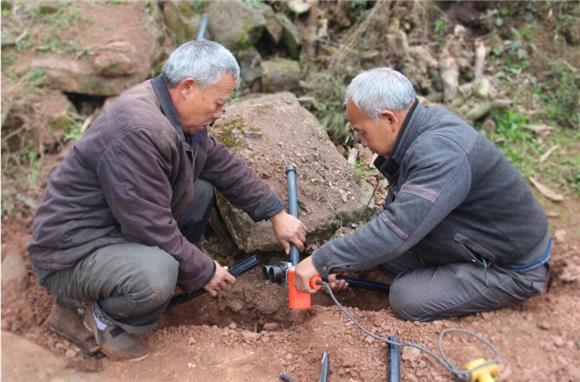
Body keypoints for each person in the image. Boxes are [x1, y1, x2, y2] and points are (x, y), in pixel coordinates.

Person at [28, 40, 306, 361]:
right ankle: (101, 316)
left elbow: (220, 163)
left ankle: (155, 272)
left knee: (199, 189)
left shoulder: (172, 110)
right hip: (69, 254)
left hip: (111, 227)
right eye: (218, 103)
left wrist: (275, 213)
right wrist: (203, 270)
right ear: (188, 87)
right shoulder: (140, 129)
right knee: (158, 273)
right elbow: (150, 227)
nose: (220, 112)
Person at [295, 68, 550, 322]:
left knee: (407, 297)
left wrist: (322, 260)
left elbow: (395, 231)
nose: (361, 141)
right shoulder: (419, 130)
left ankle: (500, 284)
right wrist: (341, 263)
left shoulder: (440, 153)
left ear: (389, 120)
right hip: (469, 237)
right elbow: (393, 219)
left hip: (511, 267)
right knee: (376, 257)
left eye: (361, 131)